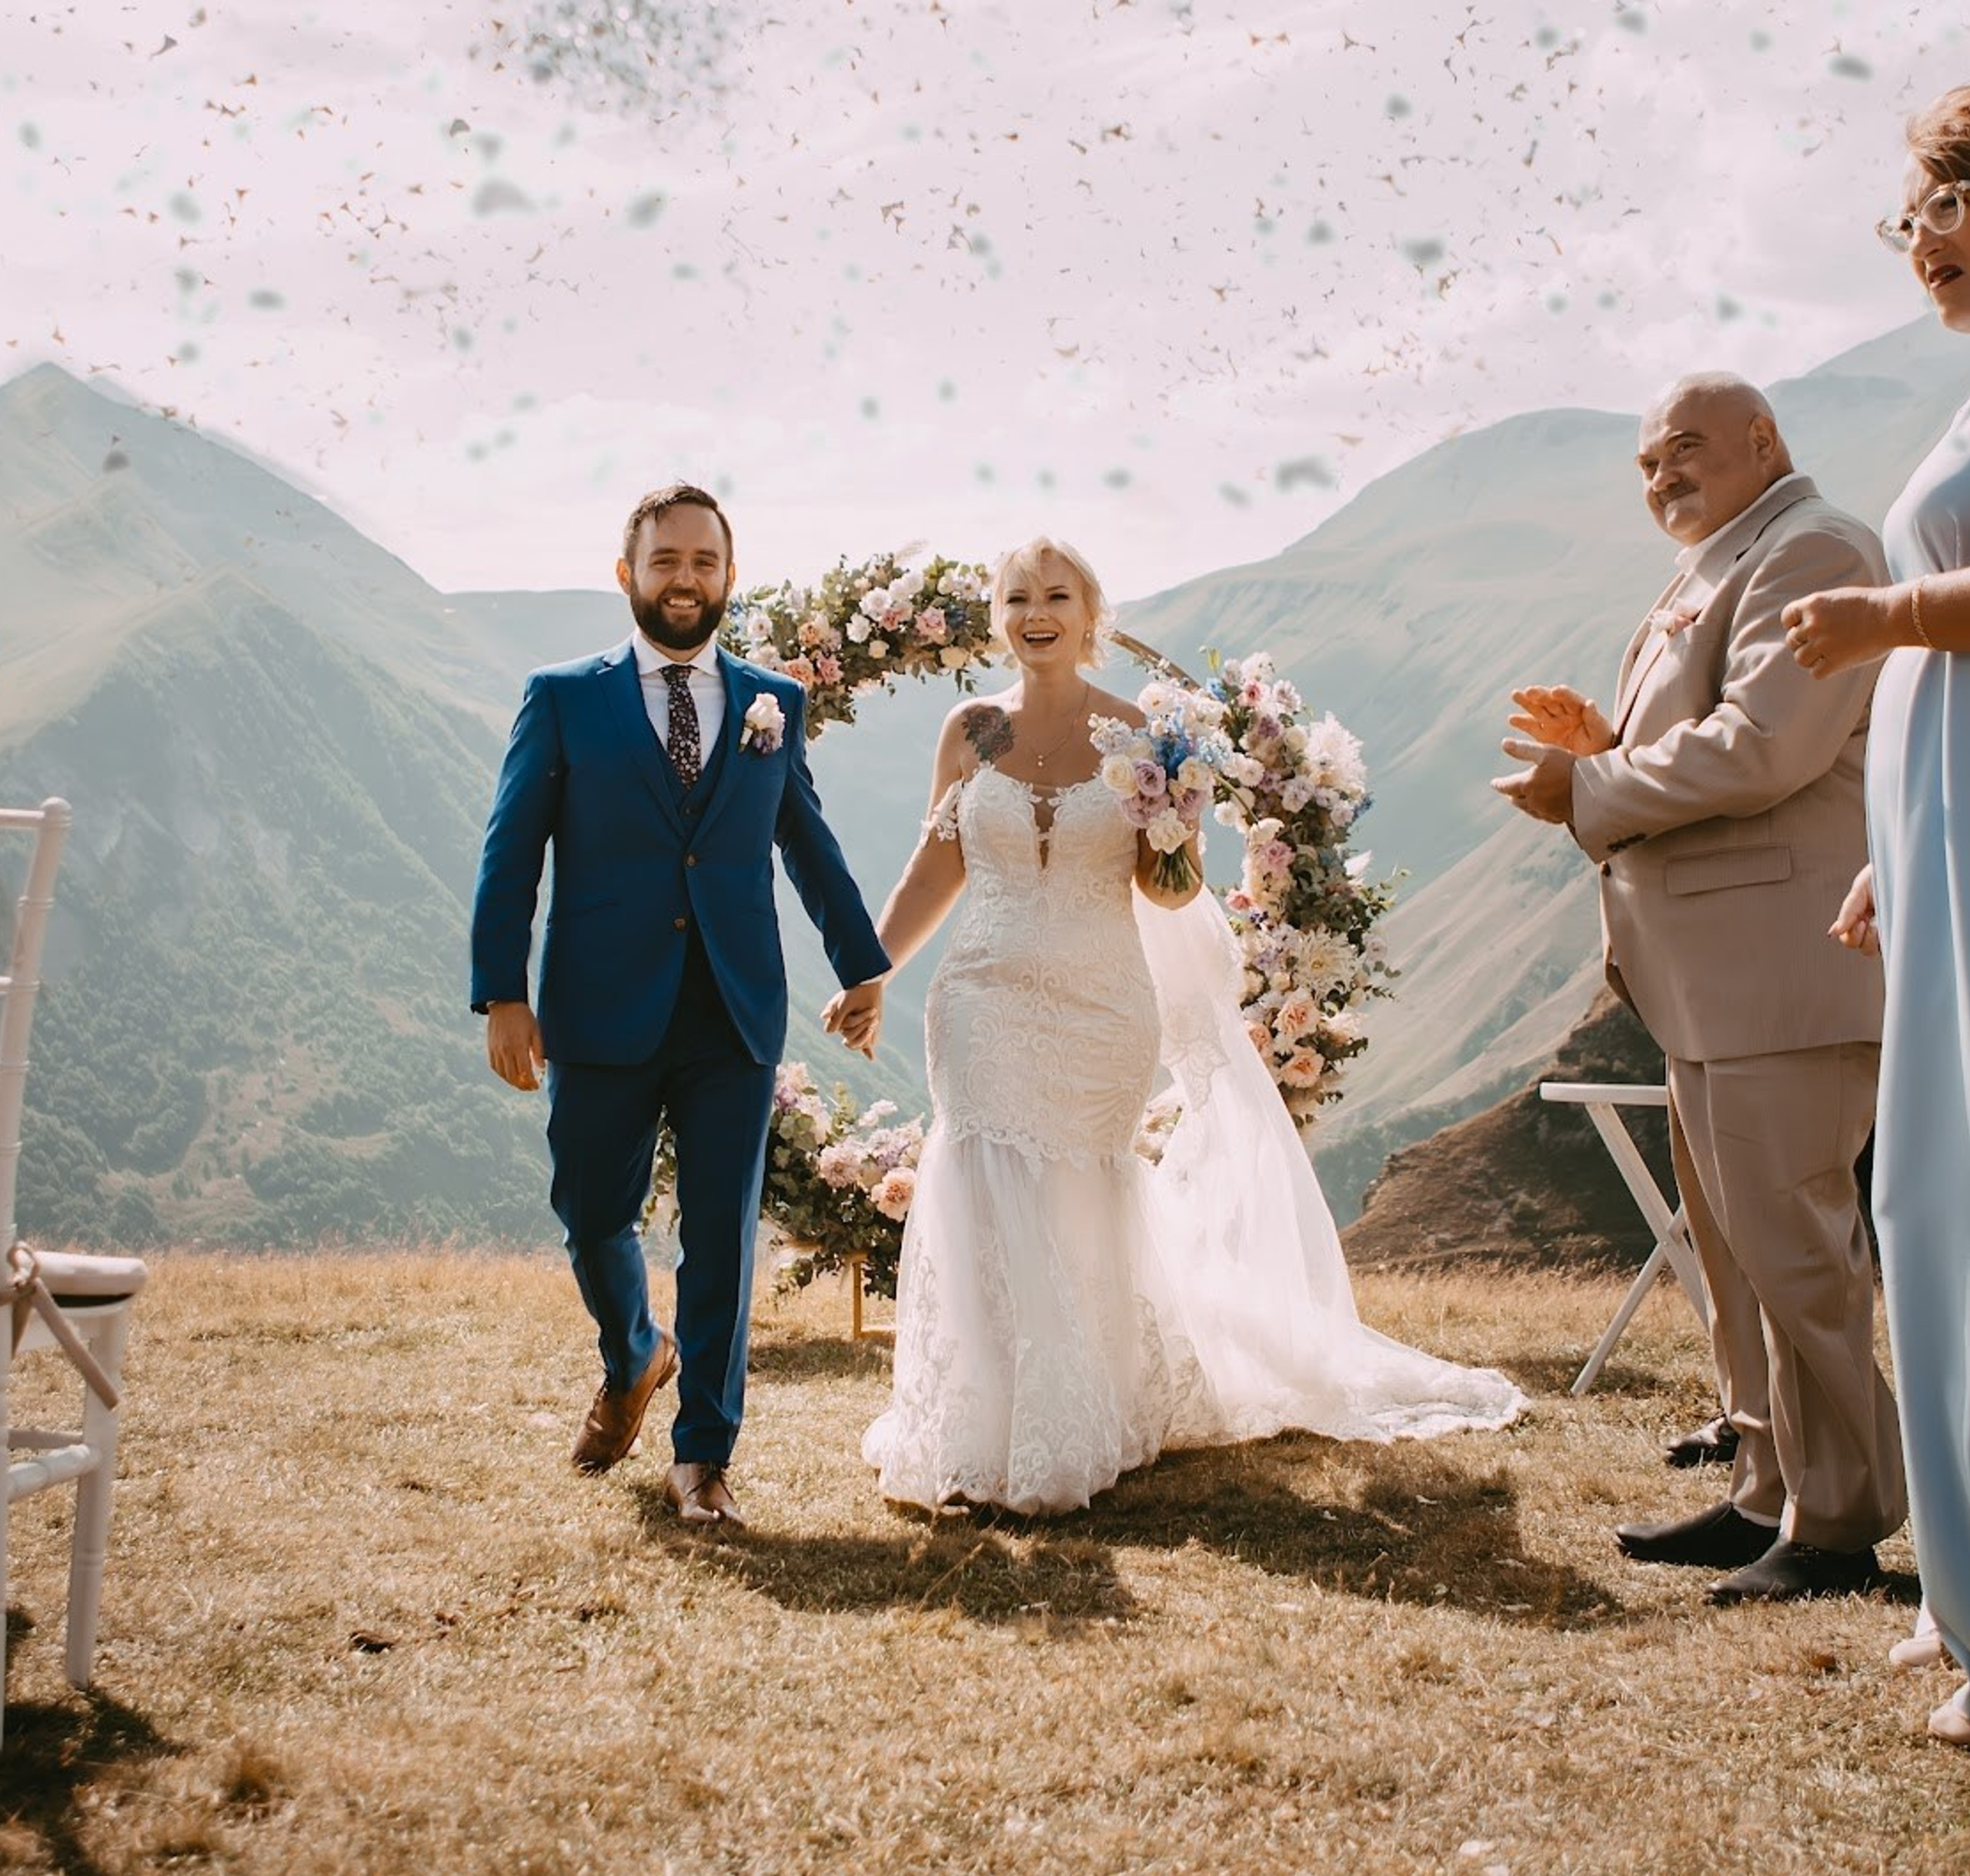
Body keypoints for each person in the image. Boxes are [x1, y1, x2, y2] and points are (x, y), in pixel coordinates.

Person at [846, 538, 1522, 1516]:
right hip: (980, 994)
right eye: (1017, 596)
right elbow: (933, 867)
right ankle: (978, 1425)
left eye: (1057, 595)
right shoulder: (972, 730)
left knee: (1077, 1197)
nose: (1037, 611)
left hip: (1099, 1001)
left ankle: (1078, 1414)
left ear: (1091, 614)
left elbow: (1172, 894)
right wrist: (873, 972)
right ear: (997, 616)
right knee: (982, 1180)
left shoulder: (1137, 737)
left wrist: (1174, 830)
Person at [1495, 374, 1906, 1604]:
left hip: (1785, 964)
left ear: (1761, 442)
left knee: (1792, 1249)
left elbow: (1764, 743)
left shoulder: (1814, 546)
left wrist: (1591, 795)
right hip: (1709, 977)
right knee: (1733, 1252)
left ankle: (1843, 1522)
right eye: (1644, 465)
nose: (1659, 476)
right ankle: (1766, 1491)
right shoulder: (1720, 560)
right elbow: (1709, 733)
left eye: (1683, 450)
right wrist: (1602, 751)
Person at [470, 483, 890, 1529]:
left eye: (705, 562)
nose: (686, 580)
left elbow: (809, 845)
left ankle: (702, 1456)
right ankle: (633, 1354)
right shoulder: (563, 697)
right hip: (597, 1005)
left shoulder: (770, 703)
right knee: (590, 1212)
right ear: (629, 575)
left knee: (723, 1239)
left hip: (733, 1012)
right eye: (666, 562)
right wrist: (503, 996)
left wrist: (862, 964)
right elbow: (511, 852)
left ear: (728, 576)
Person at [1781, 86, 1970, 1749]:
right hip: (1935, 843)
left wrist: (1888, 610)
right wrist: (1889, 848)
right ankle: (1961, 1584)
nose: (1910, 242)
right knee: (1922, 1204)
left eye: (1922, 206)